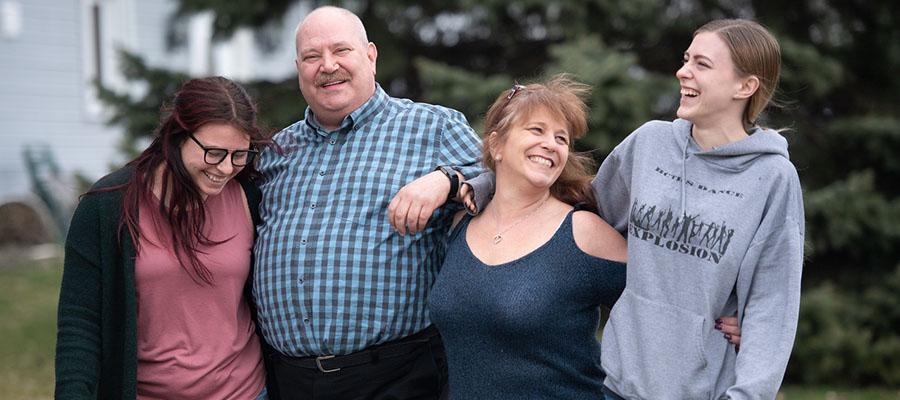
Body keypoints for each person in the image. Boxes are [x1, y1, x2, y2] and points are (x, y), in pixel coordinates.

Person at [465, 19, 803, 400]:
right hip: (614, 385)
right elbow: (570, 208)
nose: (683, 72)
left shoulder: (772, 178)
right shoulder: (649, 144)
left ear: (745, 86)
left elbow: (772, 303)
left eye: (702, 64)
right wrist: (481, 185)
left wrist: (750, 373)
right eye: (686, 59)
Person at [251, 6, 482, 399]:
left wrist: (447, 179)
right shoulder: (276, 151)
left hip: (398, 377)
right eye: (312, 56)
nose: (328, 66)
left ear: (370, 56)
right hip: (287, 380)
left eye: (341, 50)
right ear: (298, 68)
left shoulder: (434, 128)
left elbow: (501, 182)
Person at [55, 76, 271, 399]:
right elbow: (80, 323)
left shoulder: (249, 196)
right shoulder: (107, 206)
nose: (226, 168)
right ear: (177, 136)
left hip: (247, 392)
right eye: (214, 153)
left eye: (239, 155)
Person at [427, 75, 628, 399]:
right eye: (537, 130)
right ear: (496, 145)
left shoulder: (582, 232)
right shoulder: (459, 224)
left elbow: (658, 308)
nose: (551, 144)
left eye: (561, 138)